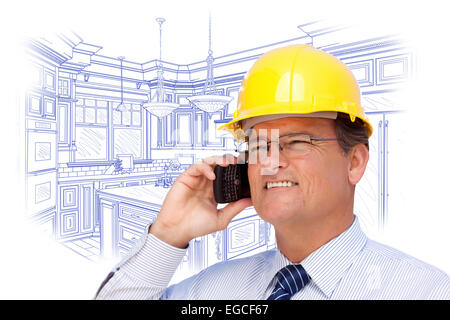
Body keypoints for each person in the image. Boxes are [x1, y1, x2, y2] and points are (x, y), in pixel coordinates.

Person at [95, 45, 449, 300]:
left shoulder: (425, 292)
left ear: (354, 162)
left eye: (297, 142)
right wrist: (168, 235)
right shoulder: (211, 291)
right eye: (260, 144)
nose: (271, 161)